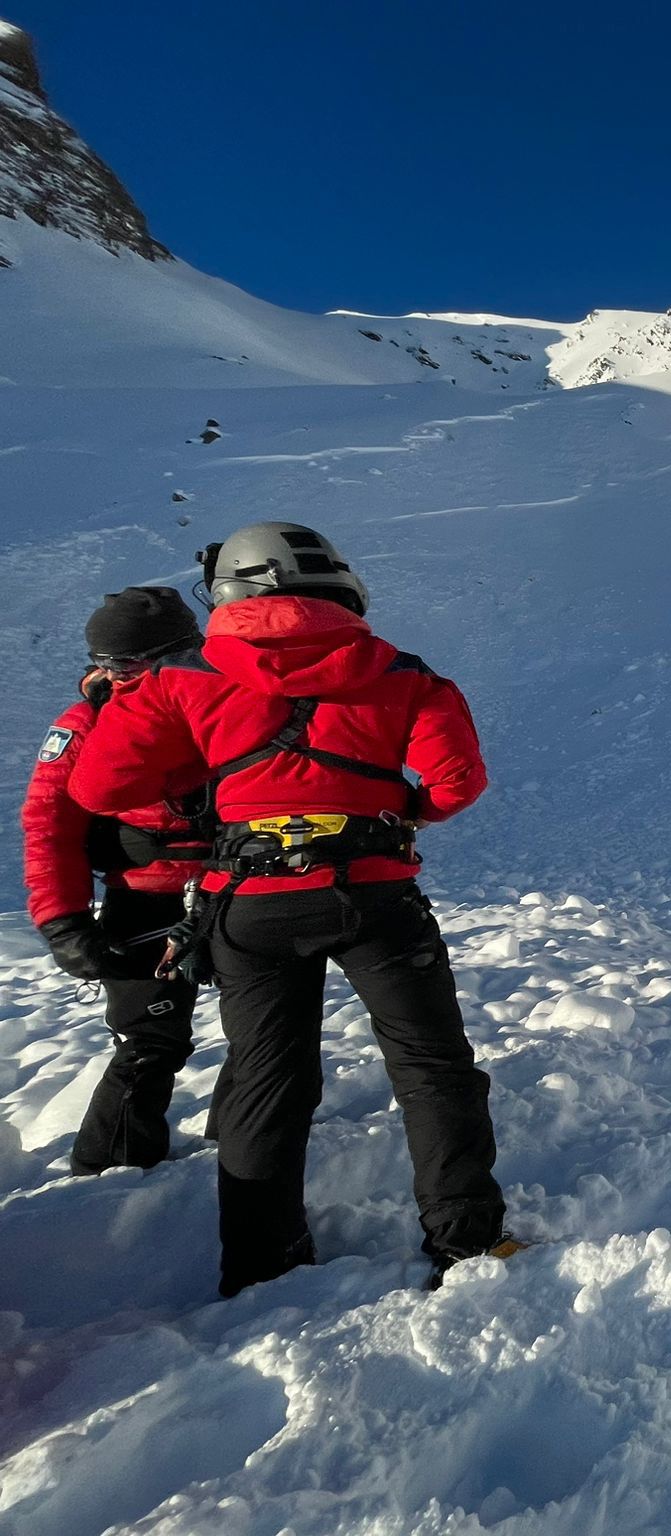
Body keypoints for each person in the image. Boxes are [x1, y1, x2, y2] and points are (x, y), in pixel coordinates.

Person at [68, 522, 508, 1295]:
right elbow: (456, 782)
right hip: (374, 892)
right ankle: (467, 1243)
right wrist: (398, 807)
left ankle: (262, 1269)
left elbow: (98, 789)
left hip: (250, 903)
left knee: (269, 1079)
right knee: (432, 1067)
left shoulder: (181, 678)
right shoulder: (404, 672)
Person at [22, 588, 213, 1174]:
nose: (112, 674)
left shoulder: (227, 705)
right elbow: (48, 825)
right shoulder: (85, 725)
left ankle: (250, 1142)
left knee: (271, 1031)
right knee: (150, 1041)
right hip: (144, 901)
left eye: (127, 663)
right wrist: (63, 921)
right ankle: (111, 1176)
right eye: (105, 662)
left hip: (238, 891)